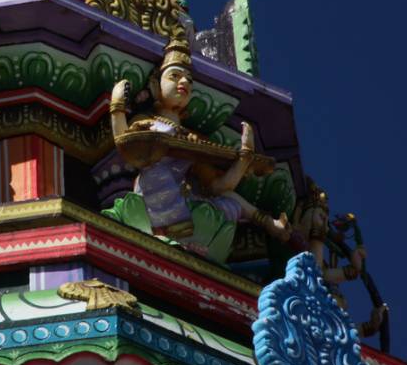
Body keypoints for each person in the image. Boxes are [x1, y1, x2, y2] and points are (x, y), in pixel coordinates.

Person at [108, 31, 289, 259]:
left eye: (189, 81)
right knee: (156, 172)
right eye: (175, 76)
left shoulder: (192, 139)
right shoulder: (146, 123)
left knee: (228, 203)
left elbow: (218, 186)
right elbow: (126, 146)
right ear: (155, 85)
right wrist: (117, 106)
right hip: (154, 197)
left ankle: (269, 224)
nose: (184, 82)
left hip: (186, 207)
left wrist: (244, 156)